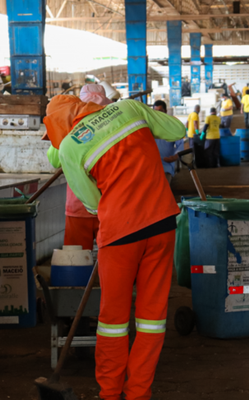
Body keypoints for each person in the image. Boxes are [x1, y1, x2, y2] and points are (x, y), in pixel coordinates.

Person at [43, 95, 185, 400]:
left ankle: (109, 393)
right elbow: (176, 131)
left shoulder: (69, 146)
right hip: (162, 224)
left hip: (120, 235)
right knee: (151, 319)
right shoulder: (128, 108)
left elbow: (91, 203)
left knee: (112, 321)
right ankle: (138, 393)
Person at [45, 84, 112, 250]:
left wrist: (63, 130)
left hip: (79, 204)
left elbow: (54, 160)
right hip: (110, 204)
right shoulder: (112, 124)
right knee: (113, 257)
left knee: (76, 259)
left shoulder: (69, 127)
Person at [152, 100, 184, 184]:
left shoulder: (172, 126)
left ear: (165, 111)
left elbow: (180, 143)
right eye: (155, 111)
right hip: (152, 164)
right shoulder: (149, 126)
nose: (158, 114)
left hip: (166, 164)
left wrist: (176, 155)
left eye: (160, 111)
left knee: (164, 188)